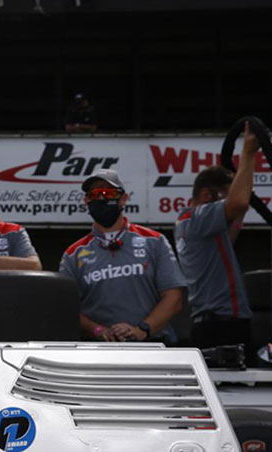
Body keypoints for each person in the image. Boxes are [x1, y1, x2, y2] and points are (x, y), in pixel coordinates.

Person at [59, 170, 185, 343]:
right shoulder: (73, 254)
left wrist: (142, 329)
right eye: (95, 194)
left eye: (108, 193)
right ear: (86, 201)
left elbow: (174, 297)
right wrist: (98, 330)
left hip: (151, 345)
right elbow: (66, 309)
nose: (102, 199)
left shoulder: (154, 241)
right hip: (98, 351)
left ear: (124, 199)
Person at [175, 123, 259, 349]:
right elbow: (239, 202)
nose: (227, 203)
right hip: (222, 325)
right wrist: (249, 152)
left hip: (212, 323)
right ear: (206, 195)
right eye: (224, 197)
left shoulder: (188, 222)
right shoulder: (199, 218)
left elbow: (238, 211)